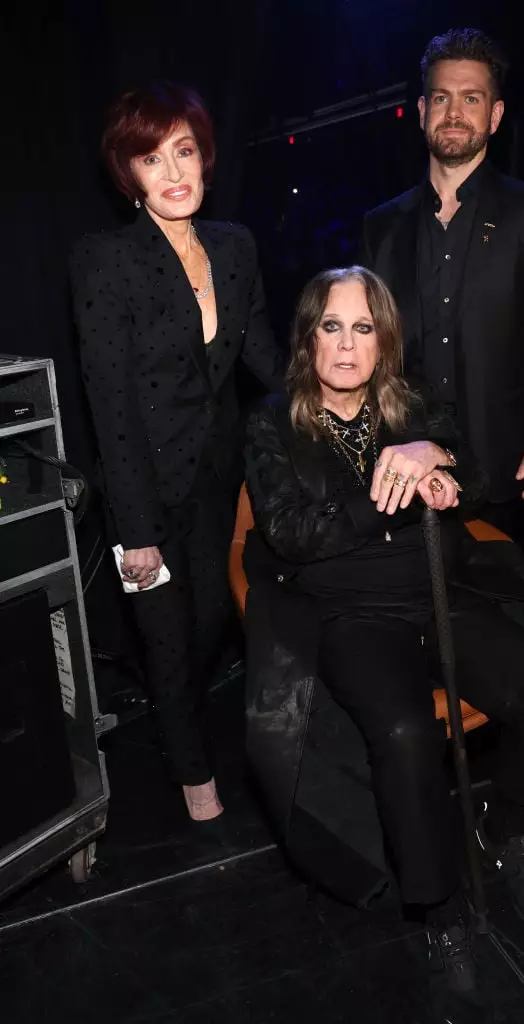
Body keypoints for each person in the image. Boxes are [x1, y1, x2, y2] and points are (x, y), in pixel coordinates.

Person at [242, 266, 524, 1008]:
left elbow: (479, 479)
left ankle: (507, 828)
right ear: (307, 337)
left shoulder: (415, 401)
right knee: (403, 733)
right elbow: (292, 533)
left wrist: (437, 458)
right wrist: (387, 493)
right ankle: (439, 906)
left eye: (363, 328)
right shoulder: (272, 421)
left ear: (384, 340)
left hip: (438, 592)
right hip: (352, 616)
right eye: (331, 326)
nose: (346, 345)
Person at [70, 82, 281, 837]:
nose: (172, 171)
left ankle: (182, 721)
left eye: (183, 151)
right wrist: (136, 531)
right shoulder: (105, 260)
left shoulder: (234, 246)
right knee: (165, 639)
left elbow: (262, 356)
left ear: (204, 156)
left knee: (208, 622)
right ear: (128, 174)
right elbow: (109, 405)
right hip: (145, 487)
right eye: (150, 158)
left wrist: (338, 393)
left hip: (217, 477)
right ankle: (194, 774)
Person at [361, 28, 524, 537]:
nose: (454, 112)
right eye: (441, 98)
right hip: (401, 459)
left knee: (498, 583)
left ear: (495, 115)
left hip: (505, 461)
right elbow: (366, 337)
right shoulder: (381, 224)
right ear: (422, 111)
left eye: (471, 99)